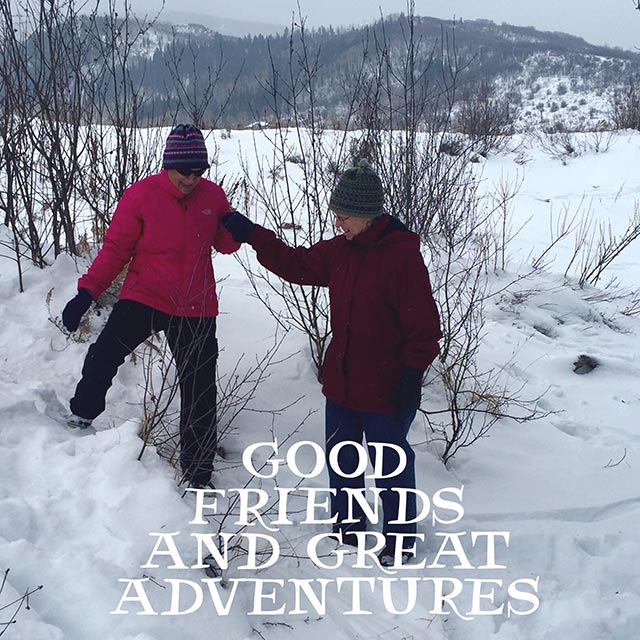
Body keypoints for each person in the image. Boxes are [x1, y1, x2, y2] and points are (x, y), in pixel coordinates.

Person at [221, 159, 442, 565]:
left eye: (344, 215)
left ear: (367, 214)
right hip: (342, 384)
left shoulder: (401, 257)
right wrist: (253, 235)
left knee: (390, 465)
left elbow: (425, 327)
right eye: (336, 213)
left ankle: (399, 541)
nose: (337, 220)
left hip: (387, 387)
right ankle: (349, 527)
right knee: (342, 459)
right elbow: (296, 263)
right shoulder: (341, 251)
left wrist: (412, 375)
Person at [61, 124, 240, 488]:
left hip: (195, 304)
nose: (192, 179)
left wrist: (235, 228)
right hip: (145, 295)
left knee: (200, 386)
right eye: (185, 171)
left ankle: (198, 471)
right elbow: (115, 251)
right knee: (105, 353)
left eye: (199, 171)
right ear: (168, 165)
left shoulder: (213, 196)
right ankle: (82, 415)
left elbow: (225, 245)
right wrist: (87, 293)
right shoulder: (141, 196)